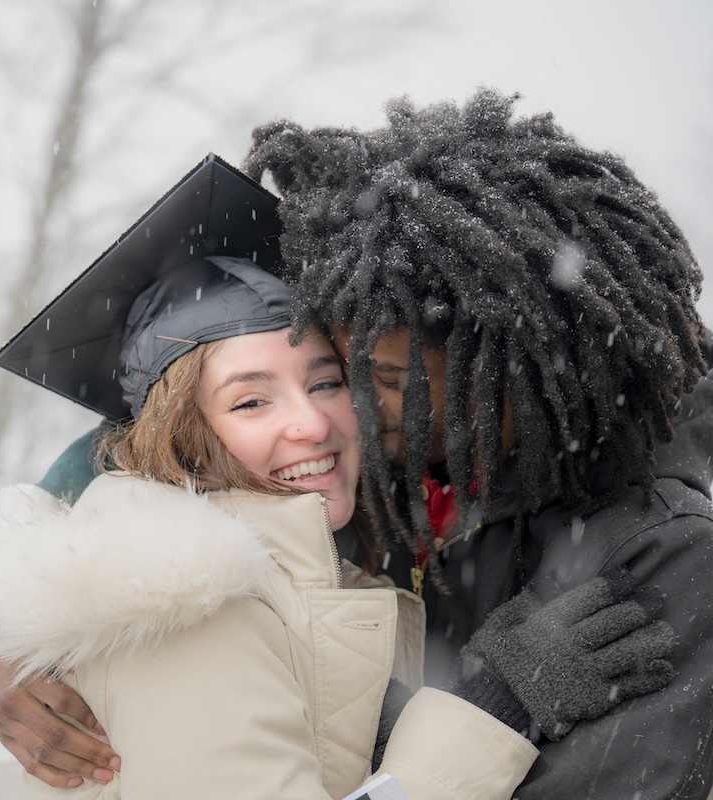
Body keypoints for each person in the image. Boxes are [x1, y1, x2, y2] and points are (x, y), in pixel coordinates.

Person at [0, 151, 682, 794]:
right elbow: (77, 528)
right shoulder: (177, 594)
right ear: (181, 436)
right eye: (251, 399)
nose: (312, 422)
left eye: (328, 381)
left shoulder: (371, 469)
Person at [239, 88, 713, 798]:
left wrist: (412, 723)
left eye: (391, 380)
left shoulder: (661, 551)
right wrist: (9, 672)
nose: (353, 409)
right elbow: (150, 479)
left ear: (518, 366)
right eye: (344, 373)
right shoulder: (375, 490)